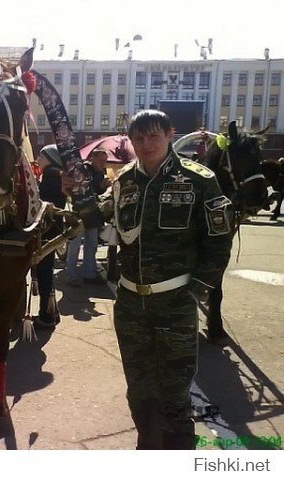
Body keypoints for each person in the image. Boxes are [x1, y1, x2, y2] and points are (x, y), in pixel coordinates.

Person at [111, 110, 233, 449]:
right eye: (138, 138)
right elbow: (99, 217)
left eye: (153, 136)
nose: (146, 144)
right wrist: (75, 194)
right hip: (130, 303)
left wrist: (198, 290)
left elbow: (219, 238)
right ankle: (147, 448)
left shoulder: (199, 179)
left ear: (170, 134)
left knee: (174, 392)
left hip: (175, 302)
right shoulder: (123, 181)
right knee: (138, 388)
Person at [65, 148, 110, 286]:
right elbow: (82, 188)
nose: (103, 164)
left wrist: (103, 187)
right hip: (79, 211)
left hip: (94, 213)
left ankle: (89, 273)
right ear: (93, 158)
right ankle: (71, 276)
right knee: (75, 245)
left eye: (105, 161)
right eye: (101, 160)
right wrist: (99, 186)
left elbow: (97, 192)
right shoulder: (83, 169)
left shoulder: (101, 172)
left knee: (92, 244)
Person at [33, 144, 67, 330]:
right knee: (47, 269)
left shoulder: (52, 173)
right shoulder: (56, 173)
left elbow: (43, 201)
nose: (38, 158)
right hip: (53, 226)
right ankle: (52, 311)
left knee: (44, 270)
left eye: (42, 155)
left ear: (51, 158)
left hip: (47, 227)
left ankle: (46, 316)